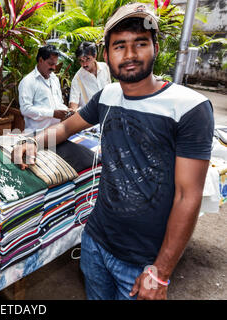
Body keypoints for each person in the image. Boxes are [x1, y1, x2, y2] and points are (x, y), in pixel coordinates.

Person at [12, 3, 214, 300]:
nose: (130, 55)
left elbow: (188, 196)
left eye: (140, 44)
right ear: (107, 54)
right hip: (95, 241)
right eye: (120, 46)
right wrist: (30, 142)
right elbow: (67, 128)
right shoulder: (107, 96)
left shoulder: (189, 107)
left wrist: (161, 272)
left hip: (142, 260)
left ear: (155, 47)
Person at [18, 45, 73, 133]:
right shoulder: (28, 82)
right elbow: (25, 109)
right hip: (37, 133)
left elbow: (58, 103)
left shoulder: (54, 79)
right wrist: (52, 113)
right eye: (51, 64)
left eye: (55, 64)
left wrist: (66, 111)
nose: (54, 68)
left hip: (57, 131)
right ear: (40, 60)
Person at [69, 41, 111, 111]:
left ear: (95, 56)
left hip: (107, 113)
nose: (84, 64)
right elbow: (73, 102)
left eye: (87, 59)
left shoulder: (105, 68)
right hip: (91, 119)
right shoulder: (77, 78)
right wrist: (72, 111)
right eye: (81, 60)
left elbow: (109, 90)